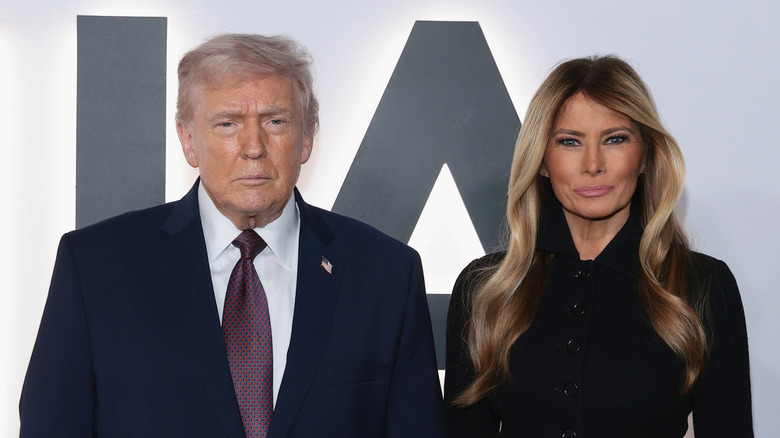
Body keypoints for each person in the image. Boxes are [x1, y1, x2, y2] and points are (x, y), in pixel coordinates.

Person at [20, 33, 446, 438]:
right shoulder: (96, 266)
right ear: (188, 140)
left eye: (276, 121)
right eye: (227, 123)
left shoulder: (386, 273)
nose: (254, 146)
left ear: (307, 138)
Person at [443, 55, 753, 437]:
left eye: (615, 139)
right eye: (570, 141)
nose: (593, 164)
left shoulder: (702, 284)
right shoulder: (485, 288)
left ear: (645, 156)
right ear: (541, 160)